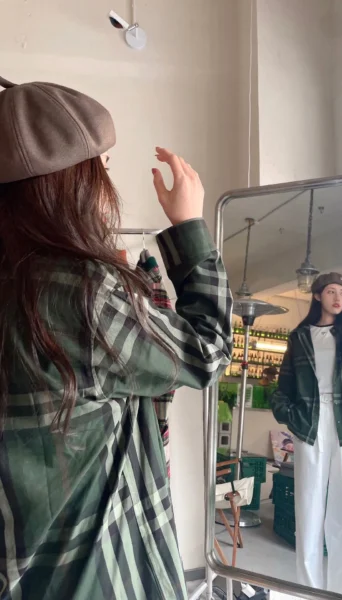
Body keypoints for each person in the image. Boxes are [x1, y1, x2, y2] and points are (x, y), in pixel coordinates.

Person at [0, 76, 232, 600]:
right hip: (94, 573)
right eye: (101, 165)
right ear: (71, 184)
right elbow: (207, 351)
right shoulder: (82, 291)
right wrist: (189, 226)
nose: (108, 177)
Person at [271, 273, 342, 596]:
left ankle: (340, 591)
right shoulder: (299, 336)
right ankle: (309, 591)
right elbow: (283, 387)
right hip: (309, 424)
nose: (338, 298)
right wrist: (291, 416)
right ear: (318, 295)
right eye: (332, 292)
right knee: (308, 510)